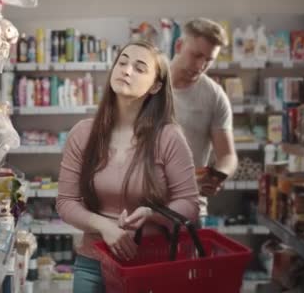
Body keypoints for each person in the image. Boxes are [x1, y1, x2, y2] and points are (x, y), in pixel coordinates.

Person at [56, 41, 200, 292]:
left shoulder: (168, 137)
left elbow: (189, 203)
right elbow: (66, 202)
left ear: (156, 86)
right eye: (122, 62)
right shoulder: (83, 133)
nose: (126, 70)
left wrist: (152, 214)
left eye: (139, 68)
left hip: (153, 266)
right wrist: (105, 227)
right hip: (93, 264)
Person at [170, 18, 239, 217]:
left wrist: (217, 176)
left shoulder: (214, 96)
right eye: (197, 55)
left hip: (189, 208)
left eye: (209, 60)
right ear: (179, 46)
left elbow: (227, 155)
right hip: (141, 204)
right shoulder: (147, 85)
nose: (201, 65)